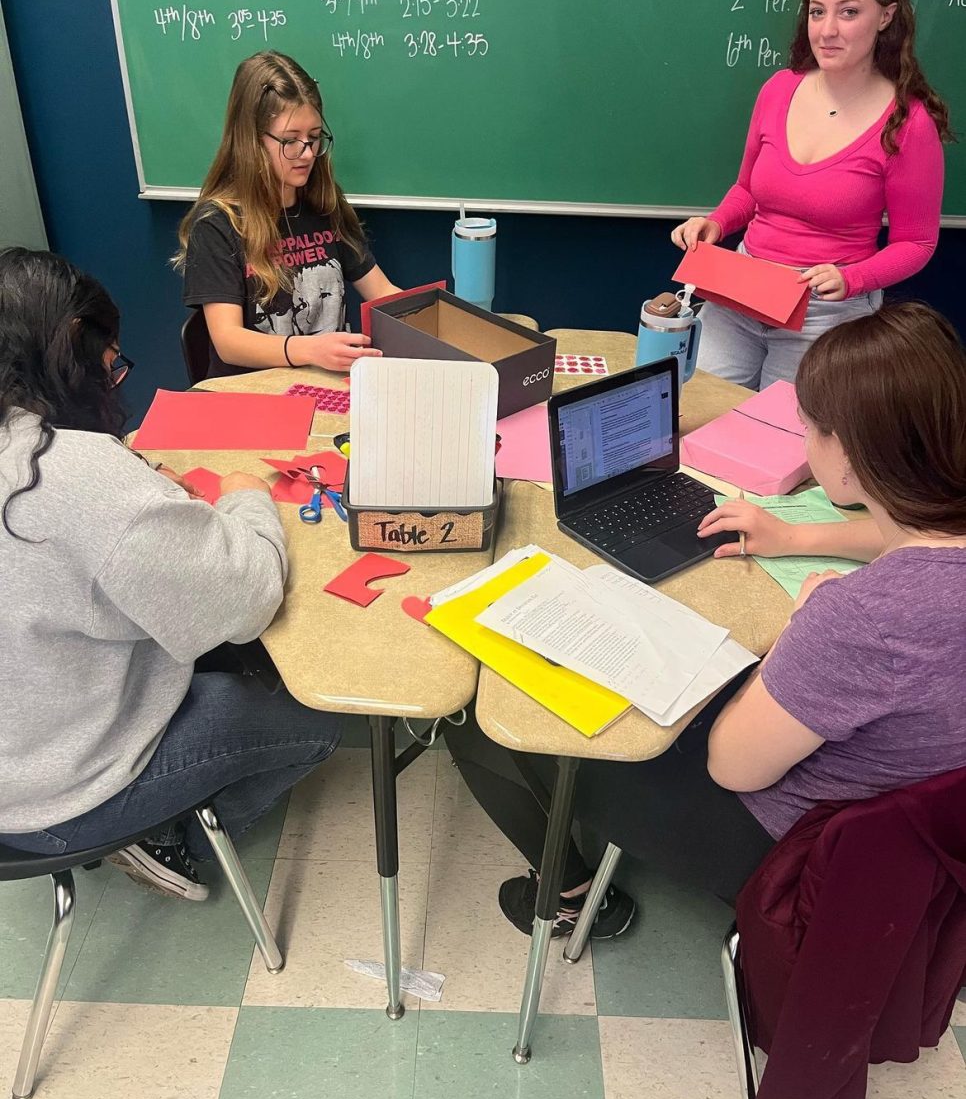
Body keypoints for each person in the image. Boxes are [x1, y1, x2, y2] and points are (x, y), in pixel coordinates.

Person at [448, 302, 966, 937]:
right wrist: (793, 539)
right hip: (923, 840)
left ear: (853, 458)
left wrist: (800, 632)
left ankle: (570, 897)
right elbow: (912, 536)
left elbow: (732, 768)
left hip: (792, 846)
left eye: (811, 430)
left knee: (481, 729)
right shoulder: (939, 537)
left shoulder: (860, 620)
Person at [0, 248, 349, 900]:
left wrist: (135, 499)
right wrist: (246, 495)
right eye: (111, 368)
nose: (115, 383)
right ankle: (170, 840)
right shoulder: (75, 472)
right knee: (319, 721)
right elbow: (245, 602)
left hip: (18, 750)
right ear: (74, 344)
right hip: (54, 794)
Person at [670, 0, 950, 391]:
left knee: (784, 442)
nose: (827, 30)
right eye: (817, 12)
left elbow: (916, 242)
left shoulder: (908, 124)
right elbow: (747, 191)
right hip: (741, 289)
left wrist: (853, 277)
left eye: (849, 12)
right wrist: (716, 224)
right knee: (700, 414)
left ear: (886, 16)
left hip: (825, 311)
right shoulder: (779, 89)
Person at [174, 50, 399, 378]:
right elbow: (228, 341)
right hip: (254, 397)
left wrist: (439, 318)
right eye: (291, 141)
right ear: (252, 140)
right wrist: (312, 350)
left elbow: (382, 292)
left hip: (326, 387)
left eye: (314, 138)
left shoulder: (324, 204)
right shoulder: (217, 224)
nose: (307, 154)